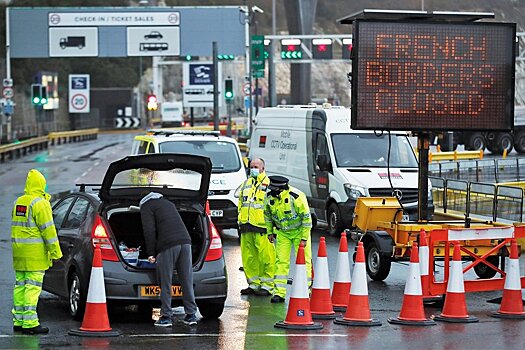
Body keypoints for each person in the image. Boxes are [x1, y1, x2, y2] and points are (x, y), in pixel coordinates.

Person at [11, 169, 63, 334]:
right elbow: (49, 231)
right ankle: (30, 323)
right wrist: (56, 253)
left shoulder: (19, 201)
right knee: (32, 288)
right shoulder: (40, 203)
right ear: (41, 184)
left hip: (19, 253)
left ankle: (18, 321)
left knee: (20, 286)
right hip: (34, 255)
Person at [140, 192, 198, 327]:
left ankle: (166, 316)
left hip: (168, 245)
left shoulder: (147, 206)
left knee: (165, 280)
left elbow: (149, 230)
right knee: (186, 279)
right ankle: (191, 315)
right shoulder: (168, 203)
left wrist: (151, 253)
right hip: (186, 242)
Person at [264, 176, 313, 303]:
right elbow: (268, 216)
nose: (272, 192)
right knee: (281, 262)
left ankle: (305, 290)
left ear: (281, 189)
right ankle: (279, 293)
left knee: (303, 261)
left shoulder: (296, 197)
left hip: (299, 232)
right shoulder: (269, 198)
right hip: (283, 233)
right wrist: (270, 232)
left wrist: (304, 238)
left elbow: (307, 220)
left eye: (275, 189)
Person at [237, 158, 275, 296]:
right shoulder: (246, 184)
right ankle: (253, 284)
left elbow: (273, 206)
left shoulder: (269, 185)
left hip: (262, 227)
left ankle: (267, 286)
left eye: (256, 166)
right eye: (251, 166)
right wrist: (240, 221)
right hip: (246, 226)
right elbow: (241, 203)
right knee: (249, 258)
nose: (253, 169)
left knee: (266, 258)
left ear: (263, 168)